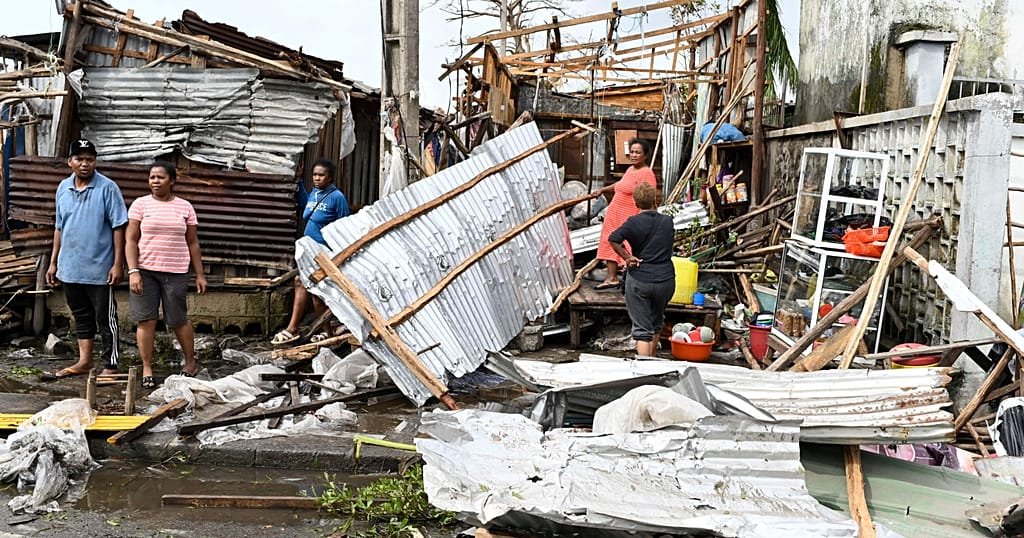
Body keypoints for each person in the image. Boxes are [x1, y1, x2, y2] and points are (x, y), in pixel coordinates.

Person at [44, 139, 128, 380]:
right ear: (70, 162)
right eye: (79, 159)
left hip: (100, 268)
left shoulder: (107, 188)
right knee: (81, 315)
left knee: (106, 318)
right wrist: (53, 262)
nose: (84, 163)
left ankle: (111, 366)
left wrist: (117, 263)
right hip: (70, 267)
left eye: (89, 159)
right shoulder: (63, 188)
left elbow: (119, 227)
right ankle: (85, 361)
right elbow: (59, 227)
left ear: (95, 162)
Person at [125, 162, 208, 388]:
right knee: (146, 319)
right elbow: (131, 239)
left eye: (160, 177)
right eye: (152, 177)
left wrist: (200, 274)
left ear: (172, 180)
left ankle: (190, 362)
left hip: (176, 271)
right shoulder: (140, 204)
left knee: (178, 319)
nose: (155, 181)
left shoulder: (185, 207)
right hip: (145, 271)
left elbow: (193, 242)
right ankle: (147, 368)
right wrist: (133, 271)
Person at [271, 159, 349, 345]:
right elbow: (306, 207)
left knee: (315, 290)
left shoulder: (337, 197)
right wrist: (298, 181)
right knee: (303, 283)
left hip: (323, 252)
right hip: (308, 251)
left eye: (321, 175)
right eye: (315, 174)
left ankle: (315, 330)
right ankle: (309, 330)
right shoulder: (315, 193)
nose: (317, 178)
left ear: (330, 177)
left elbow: (344, 225)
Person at [608, 182, 676, 356]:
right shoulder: (667, 221)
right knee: (656, 322)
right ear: (655, 200)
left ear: (635, 203)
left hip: (640, 280)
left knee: (642, 330)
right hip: (665, 281)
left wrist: (627, 257)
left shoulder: (633, 223)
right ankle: (652, 362)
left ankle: (645, 368)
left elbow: (613, 238)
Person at [596, 138, 658, 289]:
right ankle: (612, 278)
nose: (634, 155)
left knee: (629, 245)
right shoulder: (631, 169)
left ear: (645, 155)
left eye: (638, 152)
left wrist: (645, 217)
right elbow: (621, 184)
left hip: (629, 214)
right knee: (609, 241)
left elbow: (649, 196)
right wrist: (603, 190)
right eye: (632, 152)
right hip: (614, 213)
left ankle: (631, 279)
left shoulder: (647, 173)